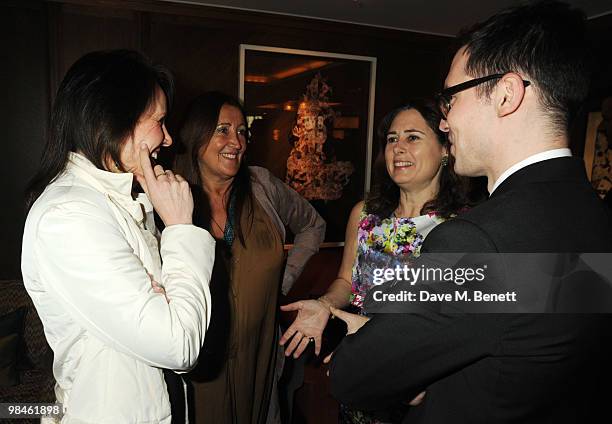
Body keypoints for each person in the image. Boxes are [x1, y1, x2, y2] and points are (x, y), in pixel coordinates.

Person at [329, 2, 612, 423]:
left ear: (505, 94)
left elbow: (353, 378)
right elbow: (522, 328)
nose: (445, 122)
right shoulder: (591, 214)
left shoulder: (478, 240)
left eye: (450, 99)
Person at [21, 50, 215, 423]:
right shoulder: (69, 215)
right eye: (159, 121)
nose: (169, 138)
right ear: (111, 119)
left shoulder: (115, 198)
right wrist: (180, 227)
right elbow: (179, 343)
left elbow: (175, 314)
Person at [280, 99, 469, 423]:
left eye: (412, 137)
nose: (398, 148)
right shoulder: (365, 215)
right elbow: (347, 282)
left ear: (445, 149)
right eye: (392, 139)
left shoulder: (461, 227)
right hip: (365, 368)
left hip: (422, 384)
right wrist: (325, 304)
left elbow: (462, 320)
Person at [174, 91, 326, 424]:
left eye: (242, 131)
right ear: (195, 135)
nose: (236, 141)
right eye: (223, 130)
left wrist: (282, 281)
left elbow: (313, 225)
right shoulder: (172, 195)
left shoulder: (261, 185)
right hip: (202, 365)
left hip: (260, 357)